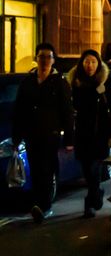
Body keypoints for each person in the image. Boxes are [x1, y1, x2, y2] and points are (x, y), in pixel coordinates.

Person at [12, 43, 74, 223]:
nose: (45, 60)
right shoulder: (28, 81)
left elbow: (67, 111)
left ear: (53, 60)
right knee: (36, 168)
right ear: (36, 58)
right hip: (31, 133)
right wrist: (17, 137)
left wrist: (69, 138)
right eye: (41, 56)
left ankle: (44, 205)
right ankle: (38, 203)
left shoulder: (60, 82)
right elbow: (19, 109)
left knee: (47, 168)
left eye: (48, 57)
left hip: (51, 133)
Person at [69, 49, 111, 218]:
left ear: (98, 64)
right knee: (86, 169)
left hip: (100, 134)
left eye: (92, 62)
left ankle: (89, 203)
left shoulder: (105, 82)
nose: (89, 65)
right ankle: (96, 193)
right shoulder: (75, 83)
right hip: (82, 134)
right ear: (81, 64)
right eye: (86, 62)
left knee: (94, 169)